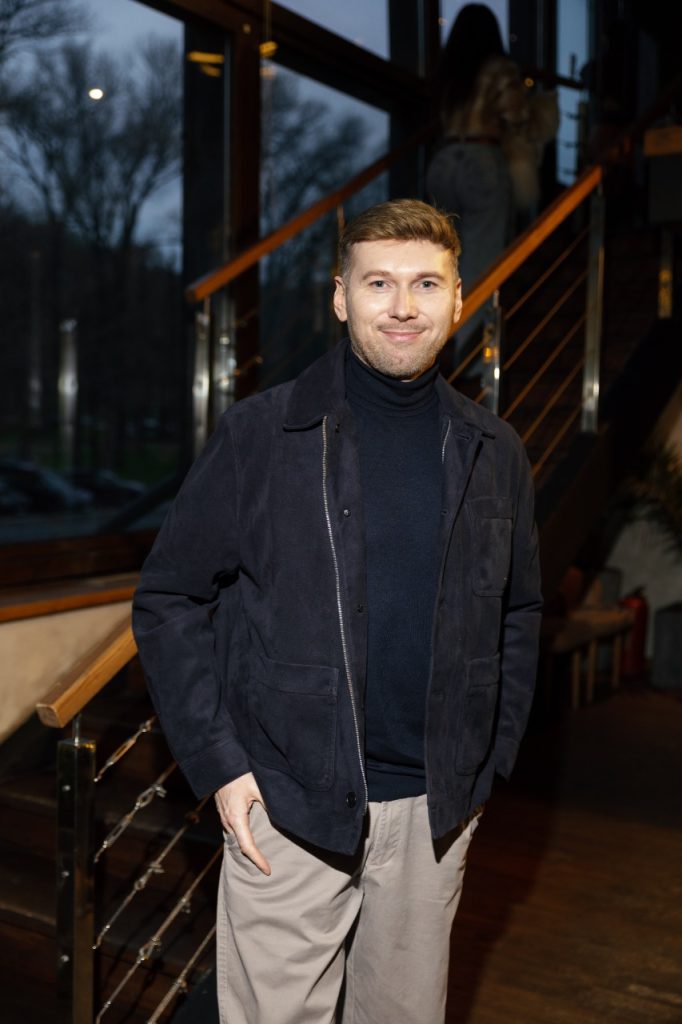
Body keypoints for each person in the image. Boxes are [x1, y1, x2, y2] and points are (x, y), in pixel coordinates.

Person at [132, 198, 542, 1024]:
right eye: (378, 282)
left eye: (426, 283)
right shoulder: (264, 434)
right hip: (287, 807)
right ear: (339, 297)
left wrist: (485, 763)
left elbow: (519, 611)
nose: (403, 306)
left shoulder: (494, 451)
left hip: (432, 816)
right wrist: (221, 765)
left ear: (459, 299)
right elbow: (169, 596)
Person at [426, 4, 556, 371]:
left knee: (442, 263)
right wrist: (542, 112)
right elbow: (518, 117)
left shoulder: (447, 71)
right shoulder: (499, 68)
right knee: (482, 264)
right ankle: (471, 361)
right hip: (482, 161)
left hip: (442, 164)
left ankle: (434, 350)